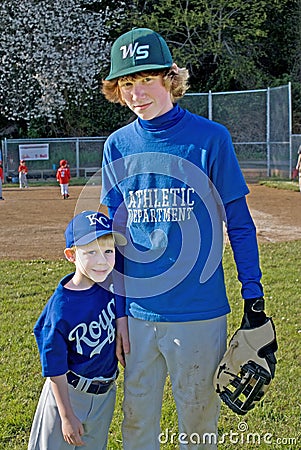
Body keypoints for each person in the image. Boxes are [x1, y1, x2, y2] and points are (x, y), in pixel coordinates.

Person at [100, 28, 276, 449]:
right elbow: (114, 238)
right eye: (127, 83)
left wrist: (254, 299)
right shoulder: (117, 146)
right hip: (139, 314)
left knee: (198, 423)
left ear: (169, 79)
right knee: (137, 421)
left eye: (146, 79)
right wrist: (119, 310)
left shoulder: (210, 138)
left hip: (200, 311)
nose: (136, 93)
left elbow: (239, 223)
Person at [28, 210, 127, 450]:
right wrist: (66, 416)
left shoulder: (110, 286)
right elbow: (55, 368)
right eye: (90, 252)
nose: (101, 260)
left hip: (104, 394)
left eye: (108, 251)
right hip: (68, 394)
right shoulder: (60, 308)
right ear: (71, 255)